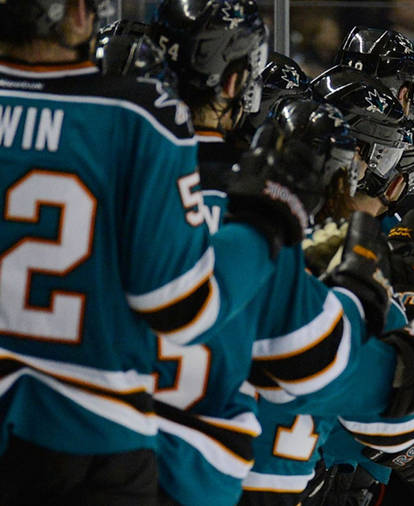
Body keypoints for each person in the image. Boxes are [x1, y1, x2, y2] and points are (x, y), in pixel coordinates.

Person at [0, 0, 312, 503]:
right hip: (94, 440)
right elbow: (179, 306)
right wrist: (263, 224)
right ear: (79, 14)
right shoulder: (134, 115)